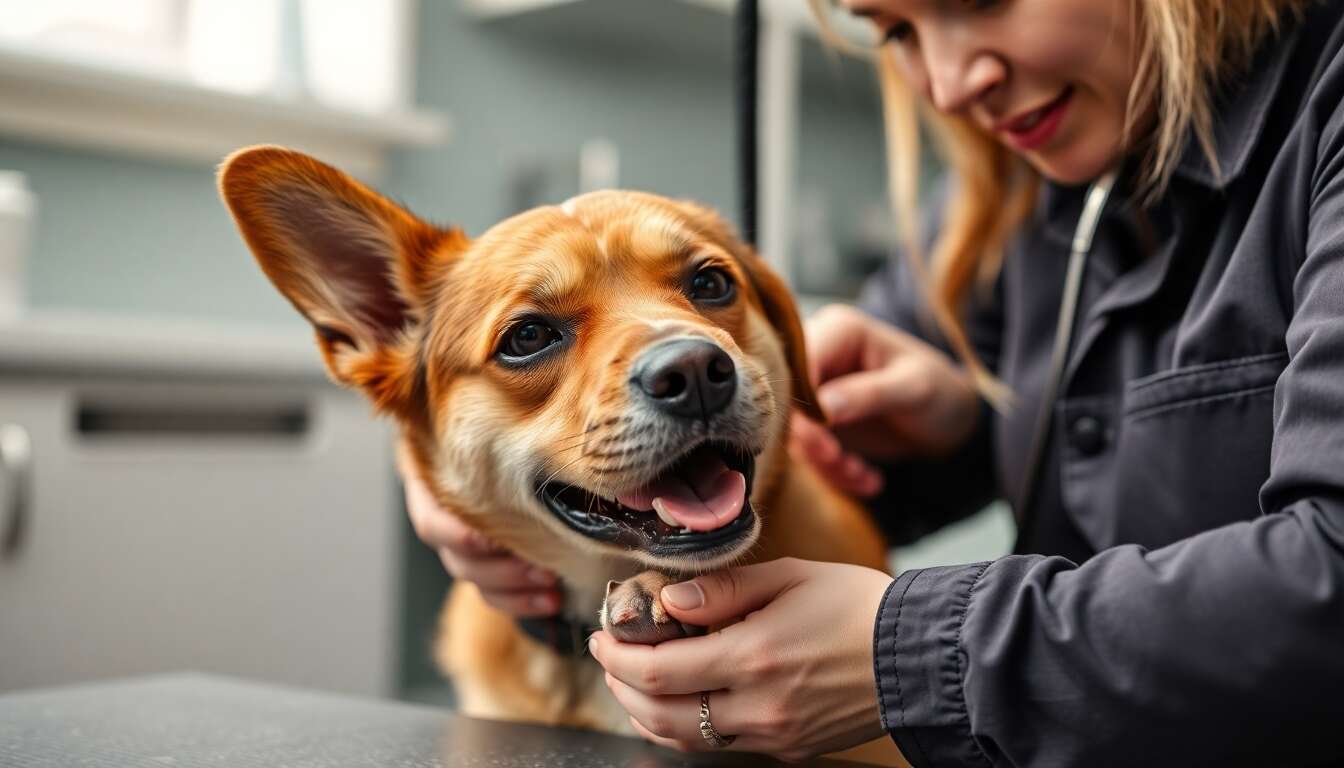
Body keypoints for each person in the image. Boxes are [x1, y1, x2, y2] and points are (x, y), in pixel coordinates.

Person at [404, 0, 1344, 763]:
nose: (948, 84)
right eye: (894, 30)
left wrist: (909, 658)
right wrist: (443, 474)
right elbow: (805, 452)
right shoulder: (999, 187)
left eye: (981, 0)